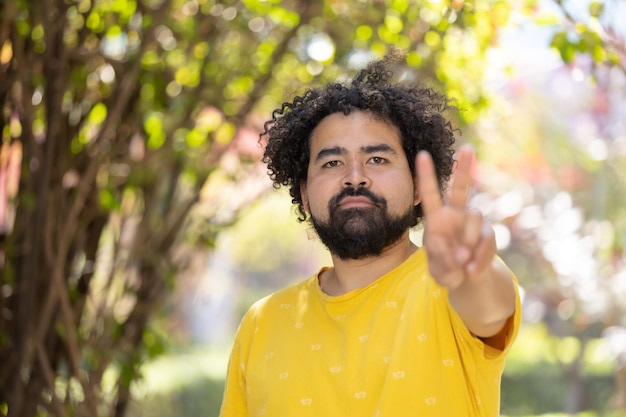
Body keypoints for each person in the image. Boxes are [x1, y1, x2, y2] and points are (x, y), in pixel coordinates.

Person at [219, 50, 521, 417]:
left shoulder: (452, 285)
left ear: (415, 189)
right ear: (304, 194)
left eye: (377, 159)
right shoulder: (261, 323)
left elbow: (490, 308)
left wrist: (472, 273)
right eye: (332, 162)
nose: (355, 176)